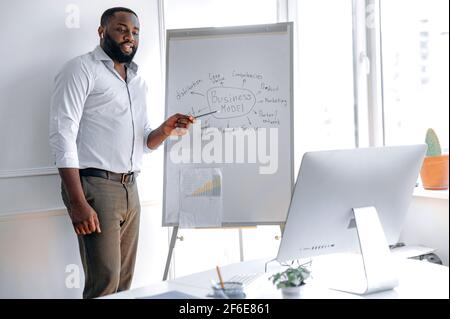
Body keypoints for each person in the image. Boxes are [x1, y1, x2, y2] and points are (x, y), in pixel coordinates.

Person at [49, 7, 194, 299]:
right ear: (102, 31)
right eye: (122, 29)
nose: (130, 37)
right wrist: (78, 202)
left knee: (123, 287)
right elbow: (62, 135)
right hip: (95, 186)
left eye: (136, 32)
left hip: (131, 187)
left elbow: (143, 142)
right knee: (104, 285)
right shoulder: (80, 69)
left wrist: (165, 130)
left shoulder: (137, 81)